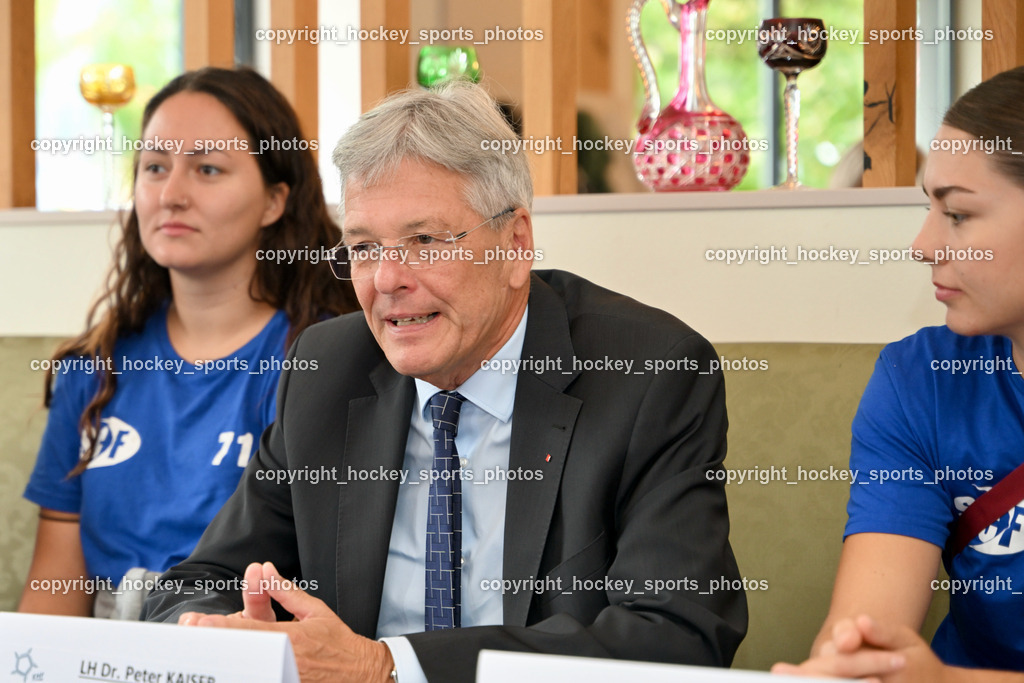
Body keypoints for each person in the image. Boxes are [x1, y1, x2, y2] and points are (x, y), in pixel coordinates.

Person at [142, 80, 747, 682]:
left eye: (424, 241)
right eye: (364, 248)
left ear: (515, 245)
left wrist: (385, 667)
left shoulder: (649, 373)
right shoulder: (327, 369)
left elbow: (676, 635)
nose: (387, 280)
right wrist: (227, 639)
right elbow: (198, 584)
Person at [19, 66, 357, 619]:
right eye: (154, 167)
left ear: (274, 201)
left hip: (250, 642)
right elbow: (53, 593)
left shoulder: (325, 361)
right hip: (106, 650)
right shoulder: (93, 368)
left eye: (207, 169)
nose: (171, 194)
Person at [774, 66, 1024, 682]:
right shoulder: (922, 380)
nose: (922, 245)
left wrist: (947, 682)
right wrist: (845, 667)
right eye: (928, 208)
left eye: (957, 214)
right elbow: (867, 627)